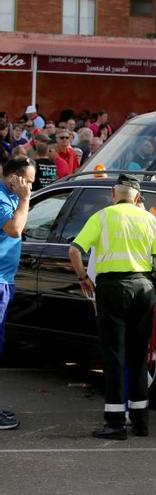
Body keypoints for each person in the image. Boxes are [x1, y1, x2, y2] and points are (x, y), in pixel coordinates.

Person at [68, 174, 156, 440]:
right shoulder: (149, 219)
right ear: (138, 197)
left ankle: (115, 423)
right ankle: (140, 422)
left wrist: (83, 278)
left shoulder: (102, 216)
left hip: (112, 288)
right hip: (143, 287)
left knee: (114, 355)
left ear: (113, 194)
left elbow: (74, 250)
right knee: (139, 357)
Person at [0, 156, 37, 430]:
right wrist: (24, 199)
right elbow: (14, 229)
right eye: (27, 182)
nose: (30, 188)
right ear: (13, 176)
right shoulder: (3, 198)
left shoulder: (11, 196)